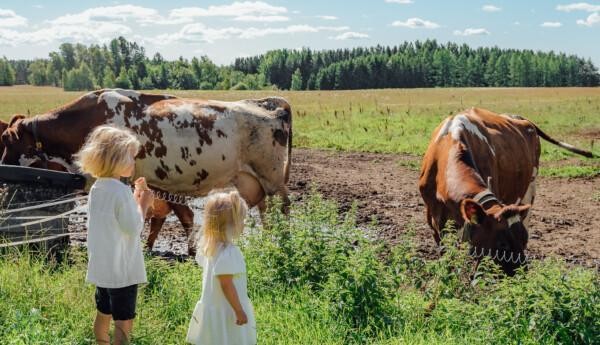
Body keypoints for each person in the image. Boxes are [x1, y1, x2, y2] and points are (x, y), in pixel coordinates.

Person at [75, 125, 154, 345]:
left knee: (103, 313)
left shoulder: (97, 188)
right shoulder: (120, 191)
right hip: (122, 271)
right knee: (123, 322)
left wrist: (135, 198)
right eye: (130, 157)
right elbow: (132, 227)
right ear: (115, 159)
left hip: (103, 268)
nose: (134, 162)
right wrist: (143, 203)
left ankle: (101, 342)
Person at [187, 190, 256, 345]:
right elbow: (226, 285)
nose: (244, 224)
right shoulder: (229, 252)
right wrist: (238, 310)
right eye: (242, 220)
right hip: (228, 310)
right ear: (232, 224)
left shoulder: (209, 247)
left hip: (215, 307)